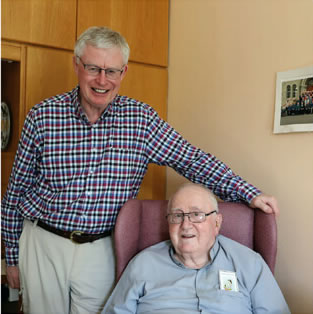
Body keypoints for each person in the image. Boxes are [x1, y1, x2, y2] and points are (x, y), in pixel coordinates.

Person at [1, 26, 279, 314]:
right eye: (93, 68)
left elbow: (191, 159)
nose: (102, 80)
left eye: (112, 71)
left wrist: (248, 193)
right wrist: (11, 257)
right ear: (76, 65)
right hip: (43, 242)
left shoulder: (141, 120)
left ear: (124, 73)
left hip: (102, 247)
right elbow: (15, 193)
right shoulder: (42, 116)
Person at [103, 183, 290, 314]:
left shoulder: (250, 263)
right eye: (177, 216)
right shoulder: (143, 264)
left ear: (217, 223)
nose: (185, 225)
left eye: (196, 215)